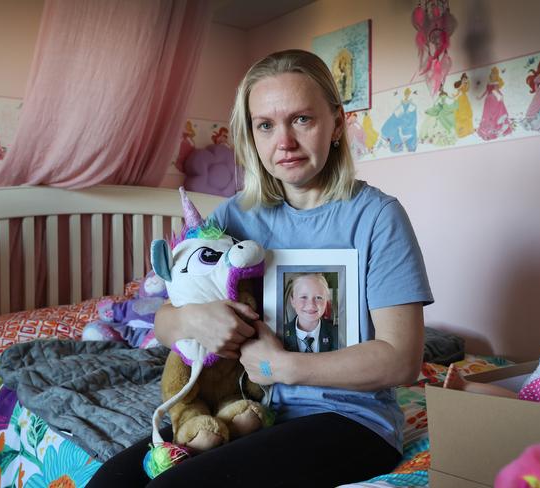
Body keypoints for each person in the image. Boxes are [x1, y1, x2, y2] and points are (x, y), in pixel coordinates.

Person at [88, 49, 433, 488]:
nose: (283, 142)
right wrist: (193, 319)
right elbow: (165, 320)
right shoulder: (234, 218)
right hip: (238, 409)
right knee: (109, 483)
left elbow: (402, 360)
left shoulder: (376, 217)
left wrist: (279, 368)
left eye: (301, 119)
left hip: (348, 420)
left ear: (336, 125)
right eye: (265, 125)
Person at [283, 273, 337, 353]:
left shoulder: (337, 334)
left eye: (318, 297)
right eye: (303, 297)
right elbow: (264, 365)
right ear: (292, 300)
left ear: (326, 301)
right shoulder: (279, 333)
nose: (311, 305)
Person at [476, 66, 513, 141]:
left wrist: (501, 96)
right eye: (492, 74)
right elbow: (486, 91)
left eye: (494, 74)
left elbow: (497, 91)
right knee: (487, 115)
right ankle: (487, 130)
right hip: (488, 101)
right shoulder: (489, 82)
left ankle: (496, 128)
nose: (492, 75)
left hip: (494, 99)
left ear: (496, 75)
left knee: (495, 115)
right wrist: (480, 97)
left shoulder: (496, 83)